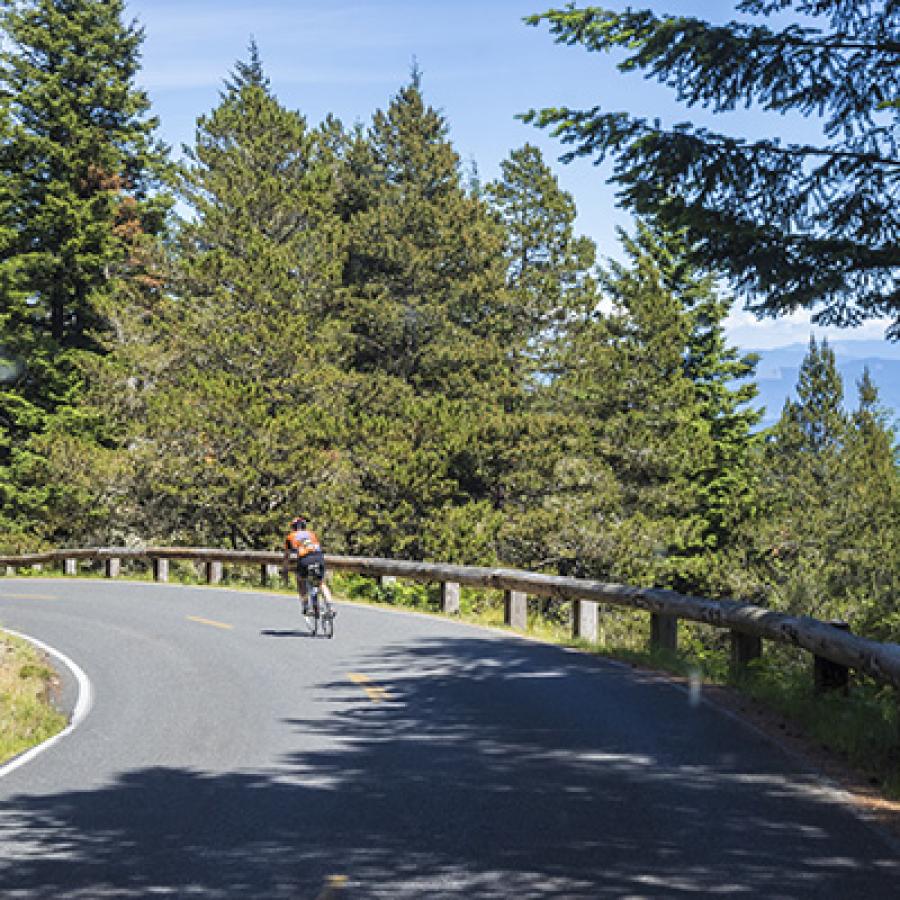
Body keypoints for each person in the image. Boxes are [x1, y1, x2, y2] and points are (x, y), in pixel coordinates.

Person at [282, 515, 333, 615]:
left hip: (304, 560)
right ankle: (330, 606)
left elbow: (286, 556)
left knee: (300, 580)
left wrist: (285, 568)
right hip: (318, 557)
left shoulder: (290, 537)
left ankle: (306, 605)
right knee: (321, 583)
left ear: (293, 527)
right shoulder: (312, 534)